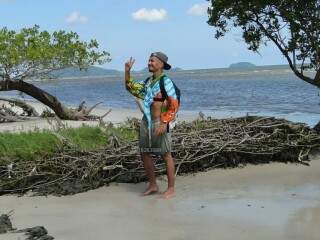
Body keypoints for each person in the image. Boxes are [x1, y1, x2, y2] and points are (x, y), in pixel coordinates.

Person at [124, 52, 179, 199]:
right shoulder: (148, 81)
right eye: (149, 60)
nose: (149, 63)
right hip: (146, 122)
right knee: (145, 152)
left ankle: (171, 190)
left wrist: (164, 123)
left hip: (161, 122)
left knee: (166, 155)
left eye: (152, 61)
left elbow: (174, 104)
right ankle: (153, 185)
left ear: (161, 64)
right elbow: (132, 89)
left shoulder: (165, 82)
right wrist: (127, 72)